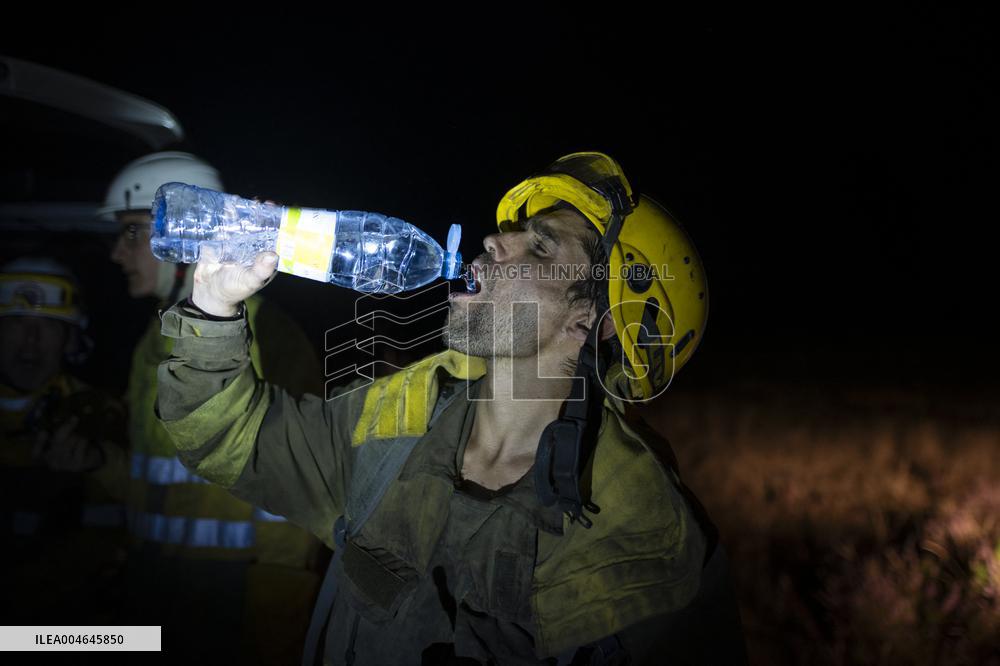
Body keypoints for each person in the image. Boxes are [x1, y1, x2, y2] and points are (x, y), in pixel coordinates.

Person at [156, 152, 748, 664]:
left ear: (588, 322)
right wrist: (212, 309)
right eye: (514, 230)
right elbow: (232, 440)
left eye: (539, 246)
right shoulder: (394, 422)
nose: (496, 238)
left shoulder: (647, 541)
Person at [102, 151, 327, 664]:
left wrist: (276, 611)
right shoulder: (149, 342)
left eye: (133, 232)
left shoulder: (269, 336)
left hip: (236, 598)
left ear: (185, 236)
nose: (118, 252)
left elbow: (302, 477)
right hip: (158, 589)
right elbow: (155, 478)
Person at [0, 257, 129, 625]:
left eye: (49, 327)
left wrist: (98, 462)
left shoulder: (104, 415)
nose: (31, 342)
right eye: (16, 323)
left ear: (72, 339)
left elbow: (156, 499)